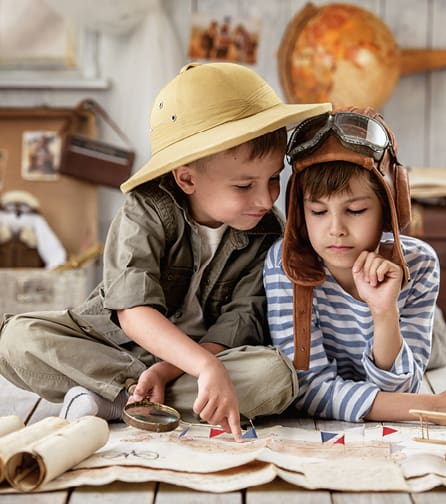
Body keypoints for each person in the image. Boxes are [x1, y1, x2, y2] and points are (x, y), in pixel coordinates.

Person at [0, 62, 331, 440]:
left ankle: (116, 398)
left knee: (276, 376)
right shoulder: (145, 210)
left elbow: (239, 321)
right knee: (15, 339)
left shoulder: (268, 233)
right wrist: (203, 368)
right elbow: (132, 311)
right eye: (244, 186)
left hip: (198, 360)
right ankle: (129, 392)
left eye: (273, 178)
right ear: (186, 177)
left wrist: (182, 367)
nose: (266, 197)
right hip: (113, 346)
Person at [263, 107, 446, 423]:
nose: (336, 229)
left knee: (436, 353)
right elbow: (309, 388)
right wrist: (436, 406)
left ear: (388, 208)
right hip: (359, 366)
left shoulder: (420, 263)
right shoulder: (284, 265)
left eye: (356, 210)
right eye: (318, 212)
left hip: (416, 340)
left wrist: (384, 312)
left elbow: (403, 386)